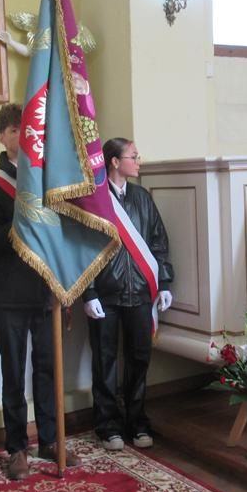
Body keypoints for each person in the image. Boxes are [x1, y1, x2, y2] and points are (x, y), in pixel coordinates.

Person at [0, 103, 79, 481]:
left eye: (29, 128)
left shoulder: (50, 179)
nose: (25, 134)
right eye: (16, 129)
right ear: (3, 136)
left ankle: (49, 439)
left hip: (46, 288)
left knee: (48, 370)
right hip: (11, 292)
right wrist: (32, 213)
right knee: (14, 372)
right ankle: (17, 446)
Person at [82, 138, 173, 451]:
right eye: (133, 156)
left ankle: (137, 422)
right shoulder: (94, 200)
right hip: (105, 295)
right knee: (104, 361)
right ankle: (107, 425)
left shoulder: (142, 198)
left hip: (141, 295)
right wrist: (88, 292)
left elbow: (158, 242)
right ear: (114, 162)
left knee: (139, 359)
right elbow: (83, 248)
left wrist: (164, 283)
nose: (139, 161)